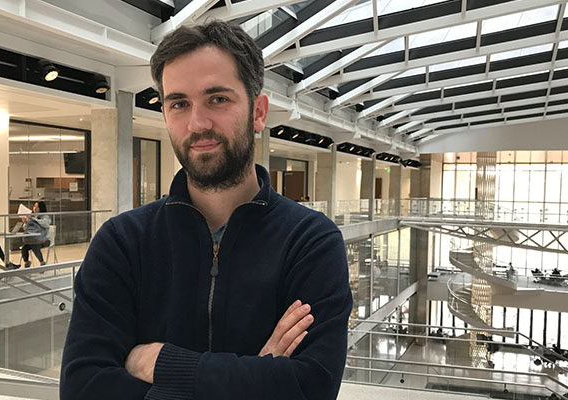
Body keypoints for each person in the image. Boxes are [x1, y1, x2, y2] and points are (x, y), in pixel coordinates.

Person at [60, 20, 353, 400]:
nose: (197, 123)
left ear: (258, 112)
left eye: (218, 99)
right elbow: (83, 388)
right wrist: (257, 376)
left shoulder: (310, 242)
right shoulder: (122, 242)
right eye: (179, 103)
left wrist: (163, 364)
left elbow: (312, 388)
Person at [20, 201, 51, 268]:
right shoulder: (32, 217)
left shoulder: (45, 217)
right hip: (33, 239)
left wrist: (33, 220)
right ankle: (26, 262)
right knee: (24, 247)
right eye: (34, 206)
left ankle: (42, 262)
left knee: (34, 245)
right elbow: (27, 229)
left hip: (43, 239)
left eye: (37, 207)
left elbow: (45, 224)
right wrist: (25, 223)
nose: (34, 208)